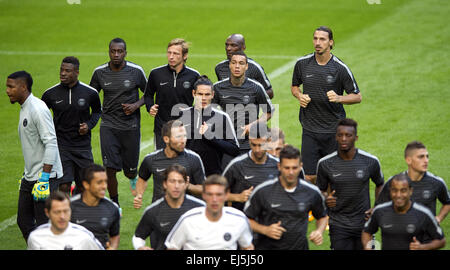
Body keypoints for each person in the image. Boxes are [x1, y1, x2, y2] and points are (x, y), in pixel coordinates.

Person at [291, 26, 362, 184]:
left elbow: (357, 96)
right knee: (309, 176)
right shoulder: (302, 64)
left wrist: (339, 98)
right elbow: (294, 86)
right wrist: (299, 95)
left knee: (331, 176)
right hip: (309, 128)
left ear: (331, 43)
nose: (318, 42)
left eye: (322, 39)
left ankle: (329, 208)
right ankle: (313, 208)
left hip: (332, 130)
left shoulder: (339, 68)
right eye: (315, 38)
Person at [6, 71, 63, 241]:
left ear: (23, 87)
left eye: (11, 86)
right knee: (23, 222)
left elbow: (51, 142)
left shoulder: (37, 109)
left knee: (44, 226)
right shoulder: (25, 107)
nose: (7, 90)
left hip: (45, 177)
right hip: (30, 176)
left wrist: (44, 178)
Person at [90, 37, 147, 205]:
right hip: (108, 125)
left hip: (130, 126)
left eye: (119, 51)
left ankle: (132, 176)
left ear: (125, 53)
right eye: (113, 51)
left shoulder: (136, 71)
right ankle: (115, 203)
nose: (116, 54)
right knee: (110, 169)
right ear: (109, 52)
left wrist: (136, 105)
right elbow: (90, 95)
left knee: (129, 171)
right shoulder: (99, 72)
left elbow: (150, 93)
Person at [316, 118, 384, 250]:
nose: (344, 139)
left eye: (348, 135)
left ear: (356, 137)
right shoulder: (325, 164)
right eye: (340, 135)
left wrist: (376, 206)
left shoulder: (370, 161)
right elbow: (319, 190)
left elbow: (380, 183)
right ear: (335, 137)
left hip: (364, 223)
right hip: (338, 224)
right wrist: (326, 198)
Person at [244, 145, 328, 250]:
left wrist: (319, 231)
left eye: (294, 168)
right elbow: (246, 219)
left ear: (300, 166)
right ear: (279, 166)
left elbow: (322, 216)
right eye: (287, 168)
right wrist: (265, 230)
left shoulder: (311, 192)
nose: (291, 172)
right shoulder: (263, 191)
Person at [42, 56, 101, 195]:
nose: (63, 73)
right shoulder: (50, 94)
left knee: (84, 186)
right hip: (61, 146)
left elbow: (97, 111)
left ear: (77, 72)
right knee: (64, 185)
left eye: (67, 71)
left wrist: (89, 125)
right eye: (62, 70)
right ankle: (65, 214)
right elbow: (41, 115)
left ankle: (76, 212)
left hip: (83, 147)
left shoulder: (90, 93)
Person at [165, 174, 254, 250]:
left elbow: (247, 247)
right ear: (204, 195)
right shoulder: (188, 220)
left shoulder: (239, 219)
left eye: (219, 194)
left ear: (226, 195)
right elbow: (172, 247)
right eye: (210, 194)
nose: (214, 199)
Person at [362, 173, 446, 250]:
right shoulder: (380, 211)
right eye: (394, 190)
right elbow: (367, 232)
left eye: (403, 190)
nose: (398, 195)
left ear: (410, 191)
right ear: (390, 191)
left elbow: (441, 241)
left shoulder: (423, 213)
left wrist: (422, 247)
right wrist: (368, 247)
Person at [213, 51, 274, 154]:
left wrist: (253, 126)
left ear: (246, 67)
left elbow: (269, 111)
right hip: (226, 143)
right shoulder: (217, 87)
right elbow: (207, 111)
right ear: (229, 65)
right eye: (234, 62)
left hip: (249, 143)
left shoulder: (256, 87)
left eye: (241, 63)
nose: (237, 66)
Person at [177, 75, 240, 176]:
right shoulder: (183, 115)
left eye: (207, 94)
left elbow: (234, 149)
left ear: (213, 95)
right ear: (193, 93)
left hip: (212, 175)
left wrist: (211, 137)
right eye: (200, 94)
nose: (203, 98)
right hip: (187, 174)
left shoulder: (222, 117)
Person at [144, 38, 200, 150]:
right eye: (169, 52)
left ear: (185, 56)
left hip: (184, 129)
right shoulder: (156, 74)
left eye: (175, 53)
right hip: (162, 128)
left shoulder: (194, 76)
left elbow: (201, 100)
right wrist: (150, 106)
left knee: (182, 164)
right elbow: (148, 95)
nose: (171, 56)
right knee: (163, 163)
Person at [132, 164, 205, 250]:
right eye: (172, 181)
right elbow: (138, 237)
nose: (176, 186)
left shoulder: (200, 208)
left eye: (180, 182)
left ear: (186, 185)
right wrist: (140, 247)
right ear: (165, 184)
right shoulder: (153, 211)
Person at [134, 120, 206, 207]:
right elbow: (142, 179)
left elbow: (203, 189)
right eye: (179, 137)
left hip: (184, 211)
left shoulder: (193, 159)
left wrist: (188, 186)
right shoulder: (151, 159)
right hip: (159, 211)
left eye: (185, 136)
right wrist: (139, 195)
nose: (183, 141)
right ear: (166, 139)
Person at [376, 141, 450, 223]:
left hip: (426, 234)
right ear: (408, 160)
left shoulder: (436, 182)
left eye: (427, 156)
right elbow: (380, 207)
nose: (426, 160)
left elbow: (447, 202)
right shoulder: (394, 182)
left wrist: (439, 218)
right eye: (421, 157)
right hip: (402, 233)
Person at [223, 122, 279, 211]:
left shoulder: (278, 165)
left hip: (269, 220)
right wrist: (237, 197)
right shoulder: (236, 165)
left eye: (261, 145)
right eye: (253, 144)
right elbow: (217, 193)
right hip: (242, 219)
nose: (257, 150)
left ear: (268, 141)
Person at [27, 191, 104, 250]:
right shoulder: (35, 237)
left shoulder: (84, 237)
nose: (62, 216)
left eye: (66, 211)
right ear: (47, 213)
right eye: (57, 212)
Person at [70, 164, 120, 249]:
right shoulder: (69, 207)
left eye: (105, 181)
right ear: (86, 184)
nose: (104, 186)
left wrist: (112, 247)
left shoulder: (112, 208)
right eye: (99, 182)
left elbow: (114, 236)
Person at [215, 33, 274, 99]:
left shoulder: (254, 68)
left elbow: (270, 93)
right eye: (227, 45)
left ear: (243, 48)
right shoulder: (220, 68)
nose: (228, 48)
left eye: (233, 45)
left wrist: (248, 97)